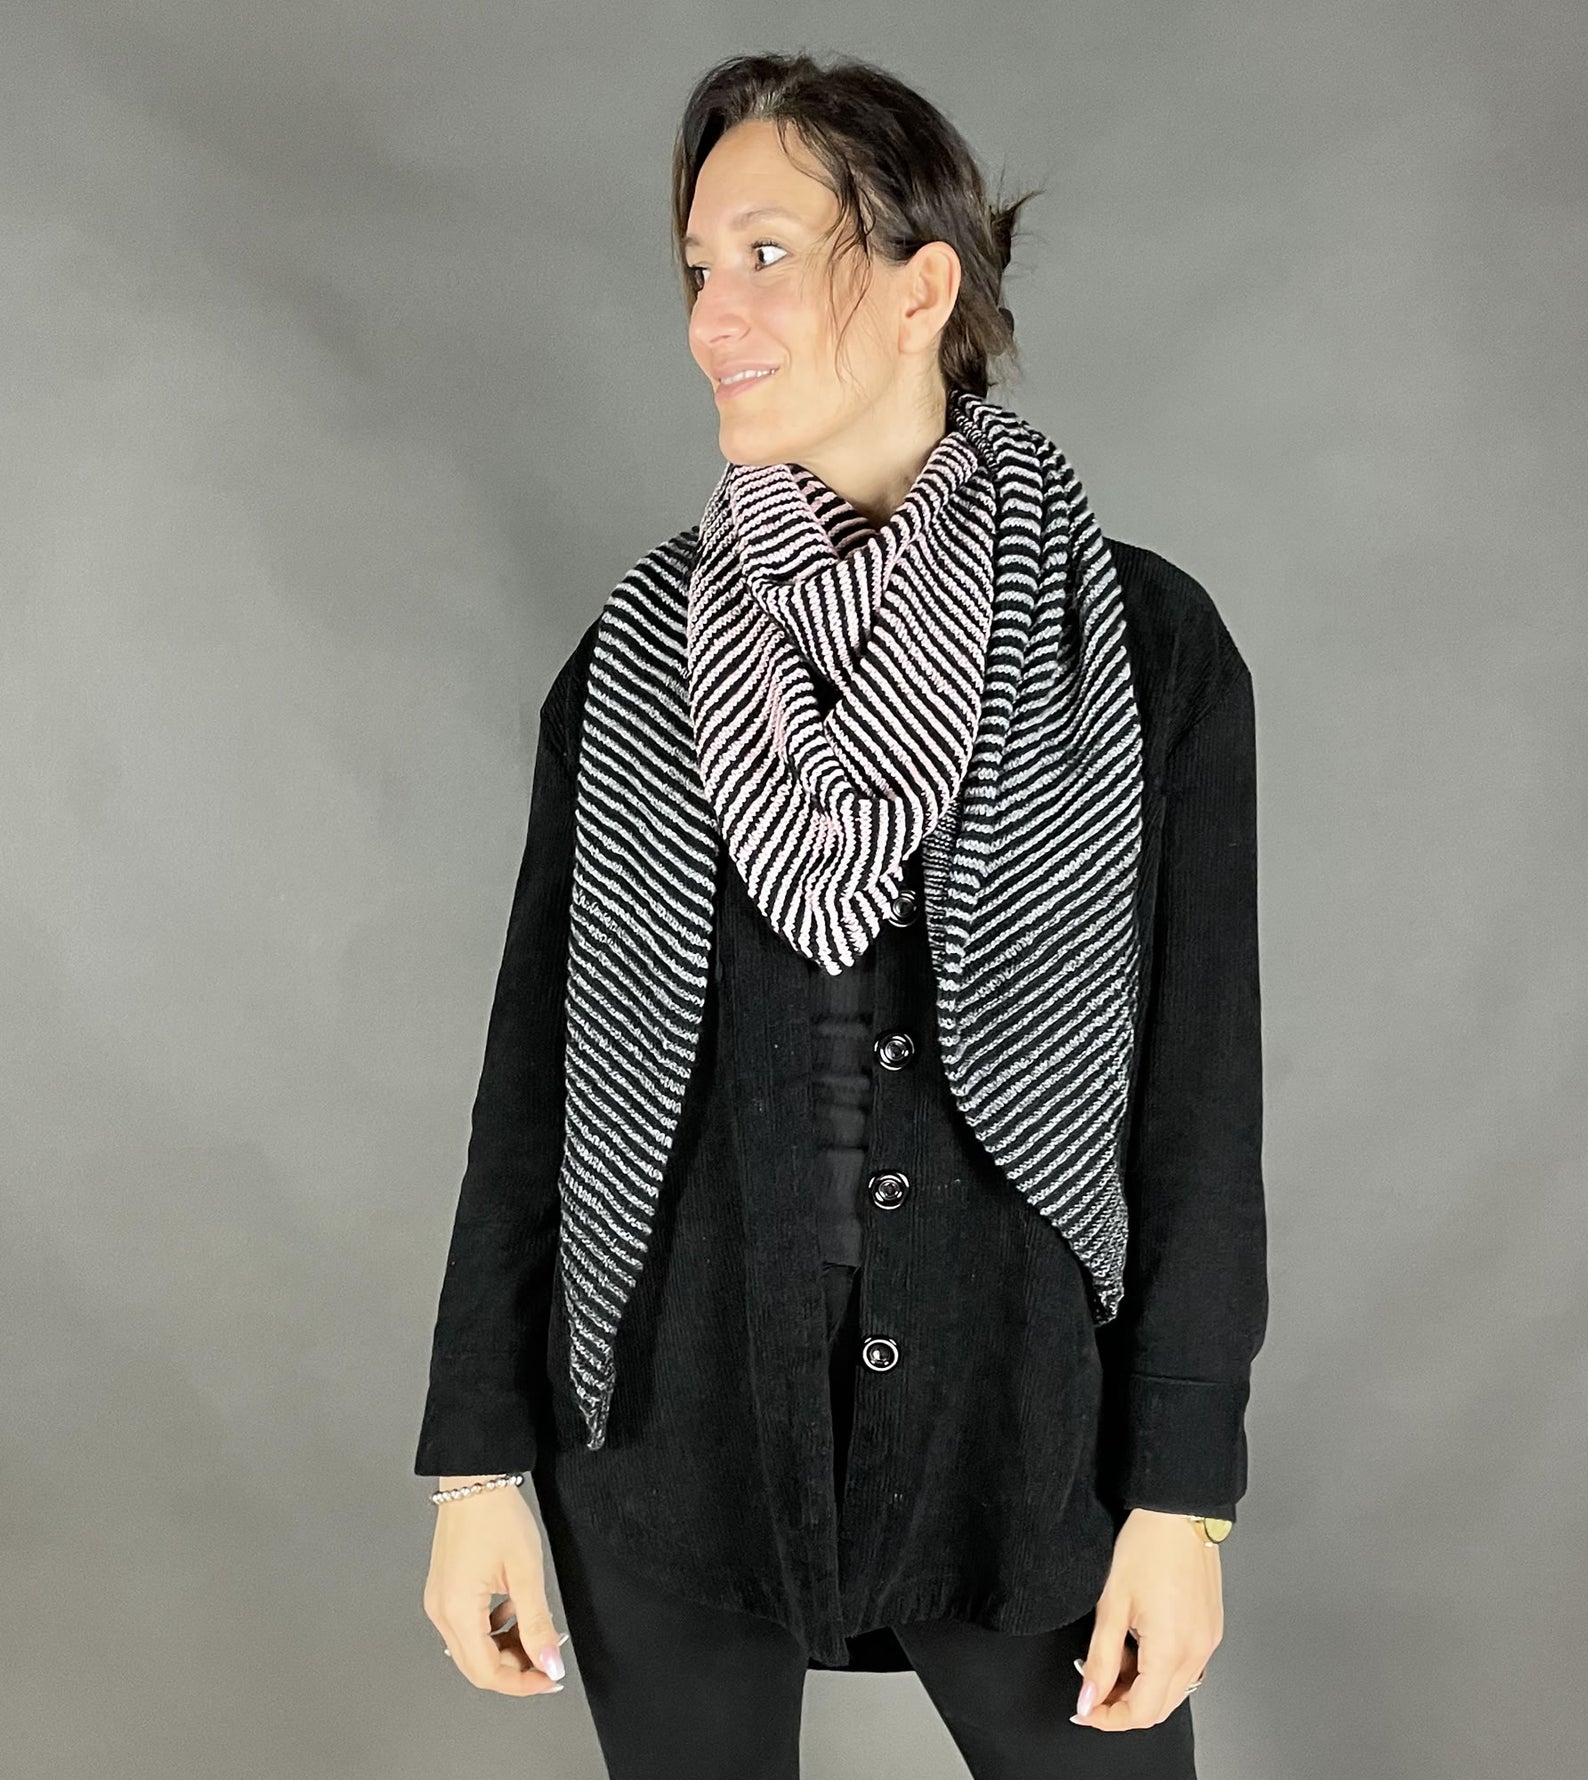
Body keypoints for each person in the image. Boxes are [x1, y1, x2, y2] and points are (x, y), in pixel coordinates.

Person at [416, 50, 1267, 1780]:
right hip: (668, 1435)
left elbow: (1198, 1108)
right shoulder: (637, 659)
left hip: (1019, 1435)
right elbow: (534, 1091)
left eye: (764, 256)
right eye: (694, 269)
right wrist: (476, 1468)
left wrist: (1186, 1498)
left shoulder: (1138, 647)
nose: (707, 319)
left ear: (921, 286)